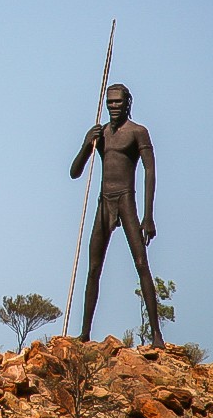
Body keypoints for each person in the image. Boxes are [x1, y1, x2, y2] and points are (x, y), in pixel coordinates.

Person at [69, 83, 163, 345]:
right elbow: (75, 172)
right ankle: (85, 333)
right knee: (93, 269)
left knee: (142, 265)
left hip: (126, 199)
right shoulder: (101, 135)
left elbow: (150, 172)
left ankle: (156, 334)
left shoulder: (138, 133)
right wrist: (87, 143)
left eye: (118, 102)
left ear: (128, 103)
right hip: (103, 202)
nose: (113, 107)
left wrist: (148, 216)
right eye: (110, 102)